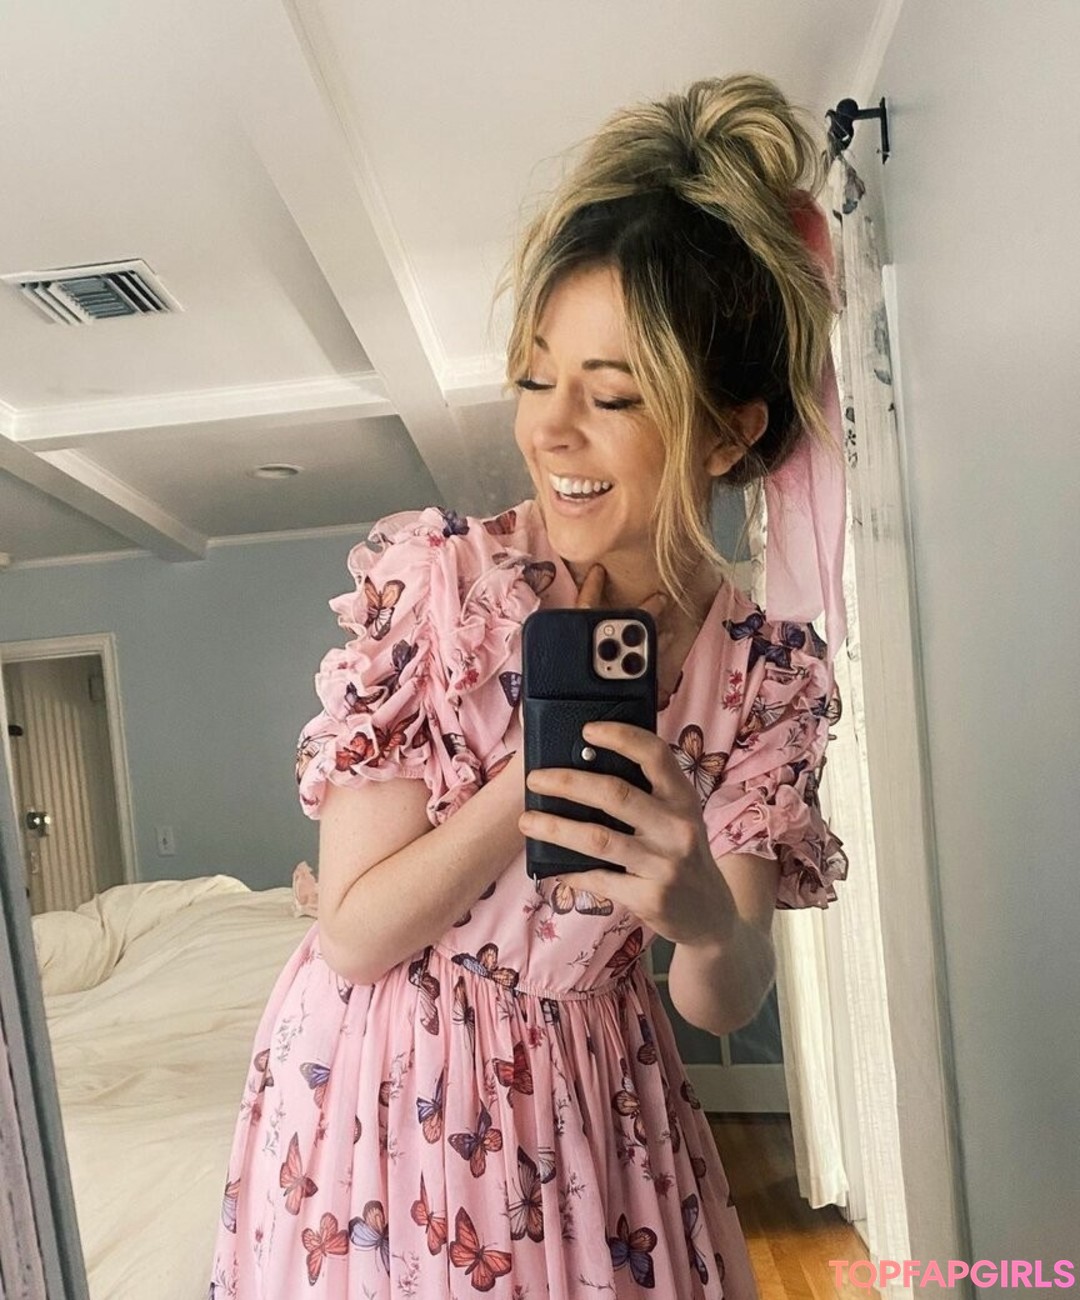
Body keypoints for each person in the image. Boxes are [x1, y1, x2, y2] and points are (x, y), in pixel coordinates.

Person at [208, 71, 850, 1300]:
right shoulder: (442, 586)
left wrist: (701, 915)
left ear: (727, 432)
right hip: (383, 1096)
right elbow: (354, 933)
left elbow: (721, 996)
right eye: (536, 376)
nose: (551, 430)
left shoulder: (760, 671)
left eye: (611, 395)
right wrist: (531, 783)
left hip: (600, 1098)